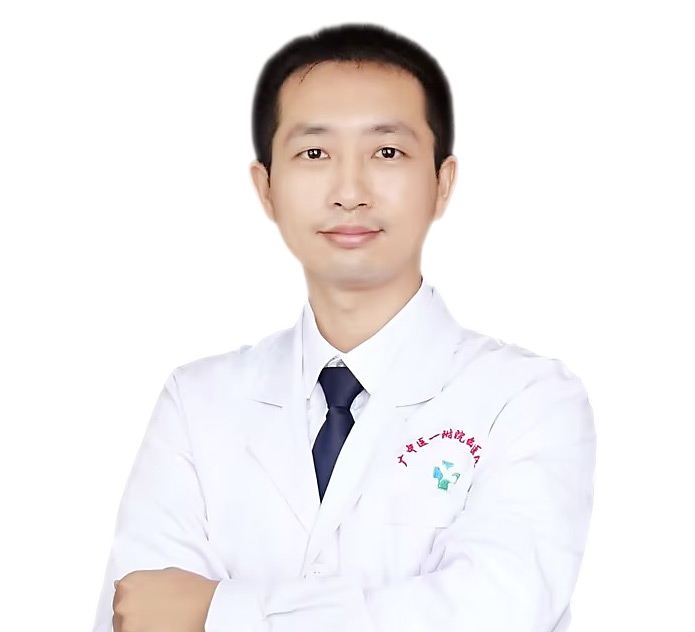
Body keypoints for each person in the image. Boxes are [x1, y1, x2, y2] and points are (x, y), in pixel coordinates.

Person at [92, 22, 596, 632]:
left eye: (387, 152)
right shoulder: (195, 404)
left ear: (442, 183)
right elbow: (140, 613)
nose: (350, 192)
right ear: (266, 188)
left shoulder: (528, 399)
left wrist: (218, 611)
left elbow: (494, 613)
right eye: (314, 154)